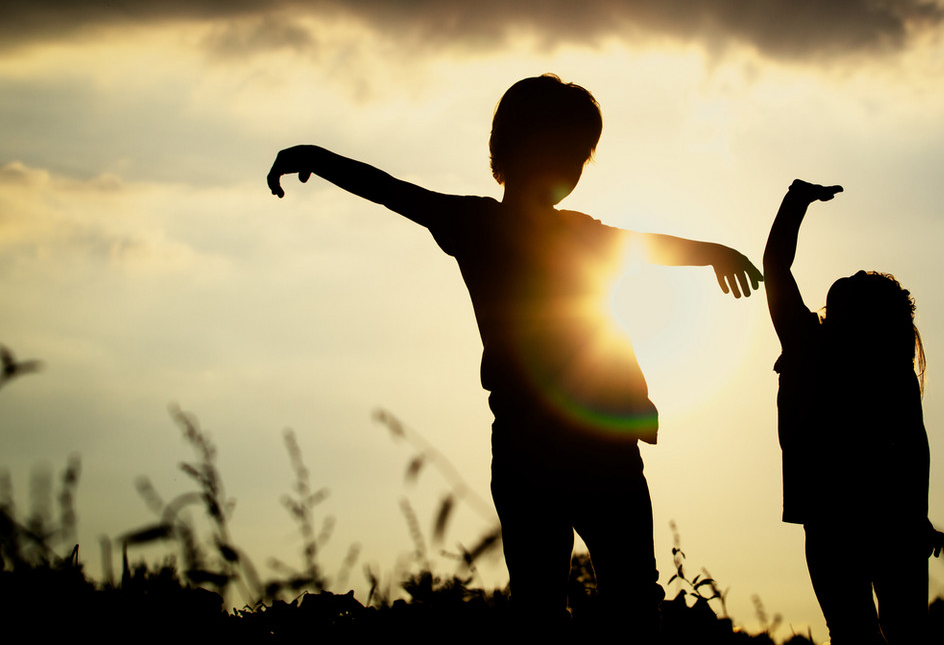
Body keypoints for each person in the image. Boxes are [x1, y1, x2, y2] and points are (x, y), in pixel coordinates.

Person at [266, 74, 763, 637]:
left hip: (603, 447)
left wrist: (715, 252)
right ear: (512, 150)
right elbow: (390, 189)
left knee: (627, 596)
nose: (571, 168)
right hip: (532, 446)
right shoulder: (476, 224)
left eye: (579, 157)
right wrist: (316, 157)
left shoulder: (581, 232)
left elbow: (651, 246)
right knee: (544, 599)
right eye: (561, 151)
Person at [764, 179, 944, 644]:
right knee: (901, 634)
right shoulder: (889, 369)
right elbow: (914, 449)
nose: (851, 277)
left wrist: (797, 200)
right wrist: (917, 516)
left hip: (835, 520)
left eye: (856, 286)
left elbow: (776, 266)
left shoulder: (807, 345)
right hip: (884, 519)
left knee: (857, 635)